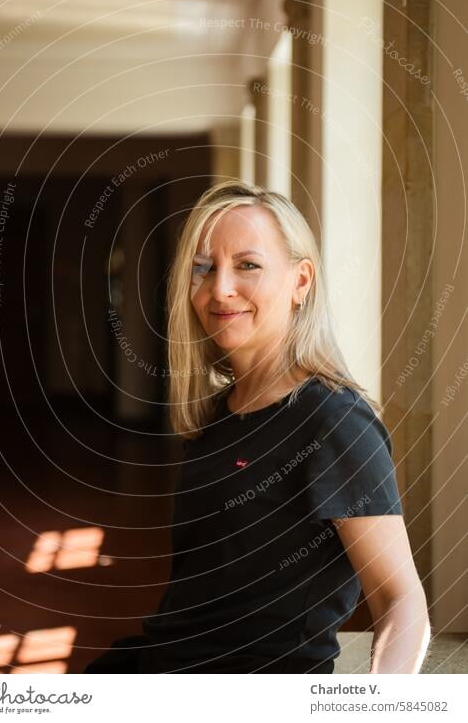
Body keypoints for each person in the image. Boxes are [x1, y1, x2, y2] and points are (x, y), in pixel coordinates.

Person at [84, 180, 431, 674]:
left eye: (247, 265)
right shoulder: (218, 414)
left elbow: (401, 600)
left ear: (300, 282)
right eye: (203, 268)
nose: (220, 288)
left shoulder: (333, 421)